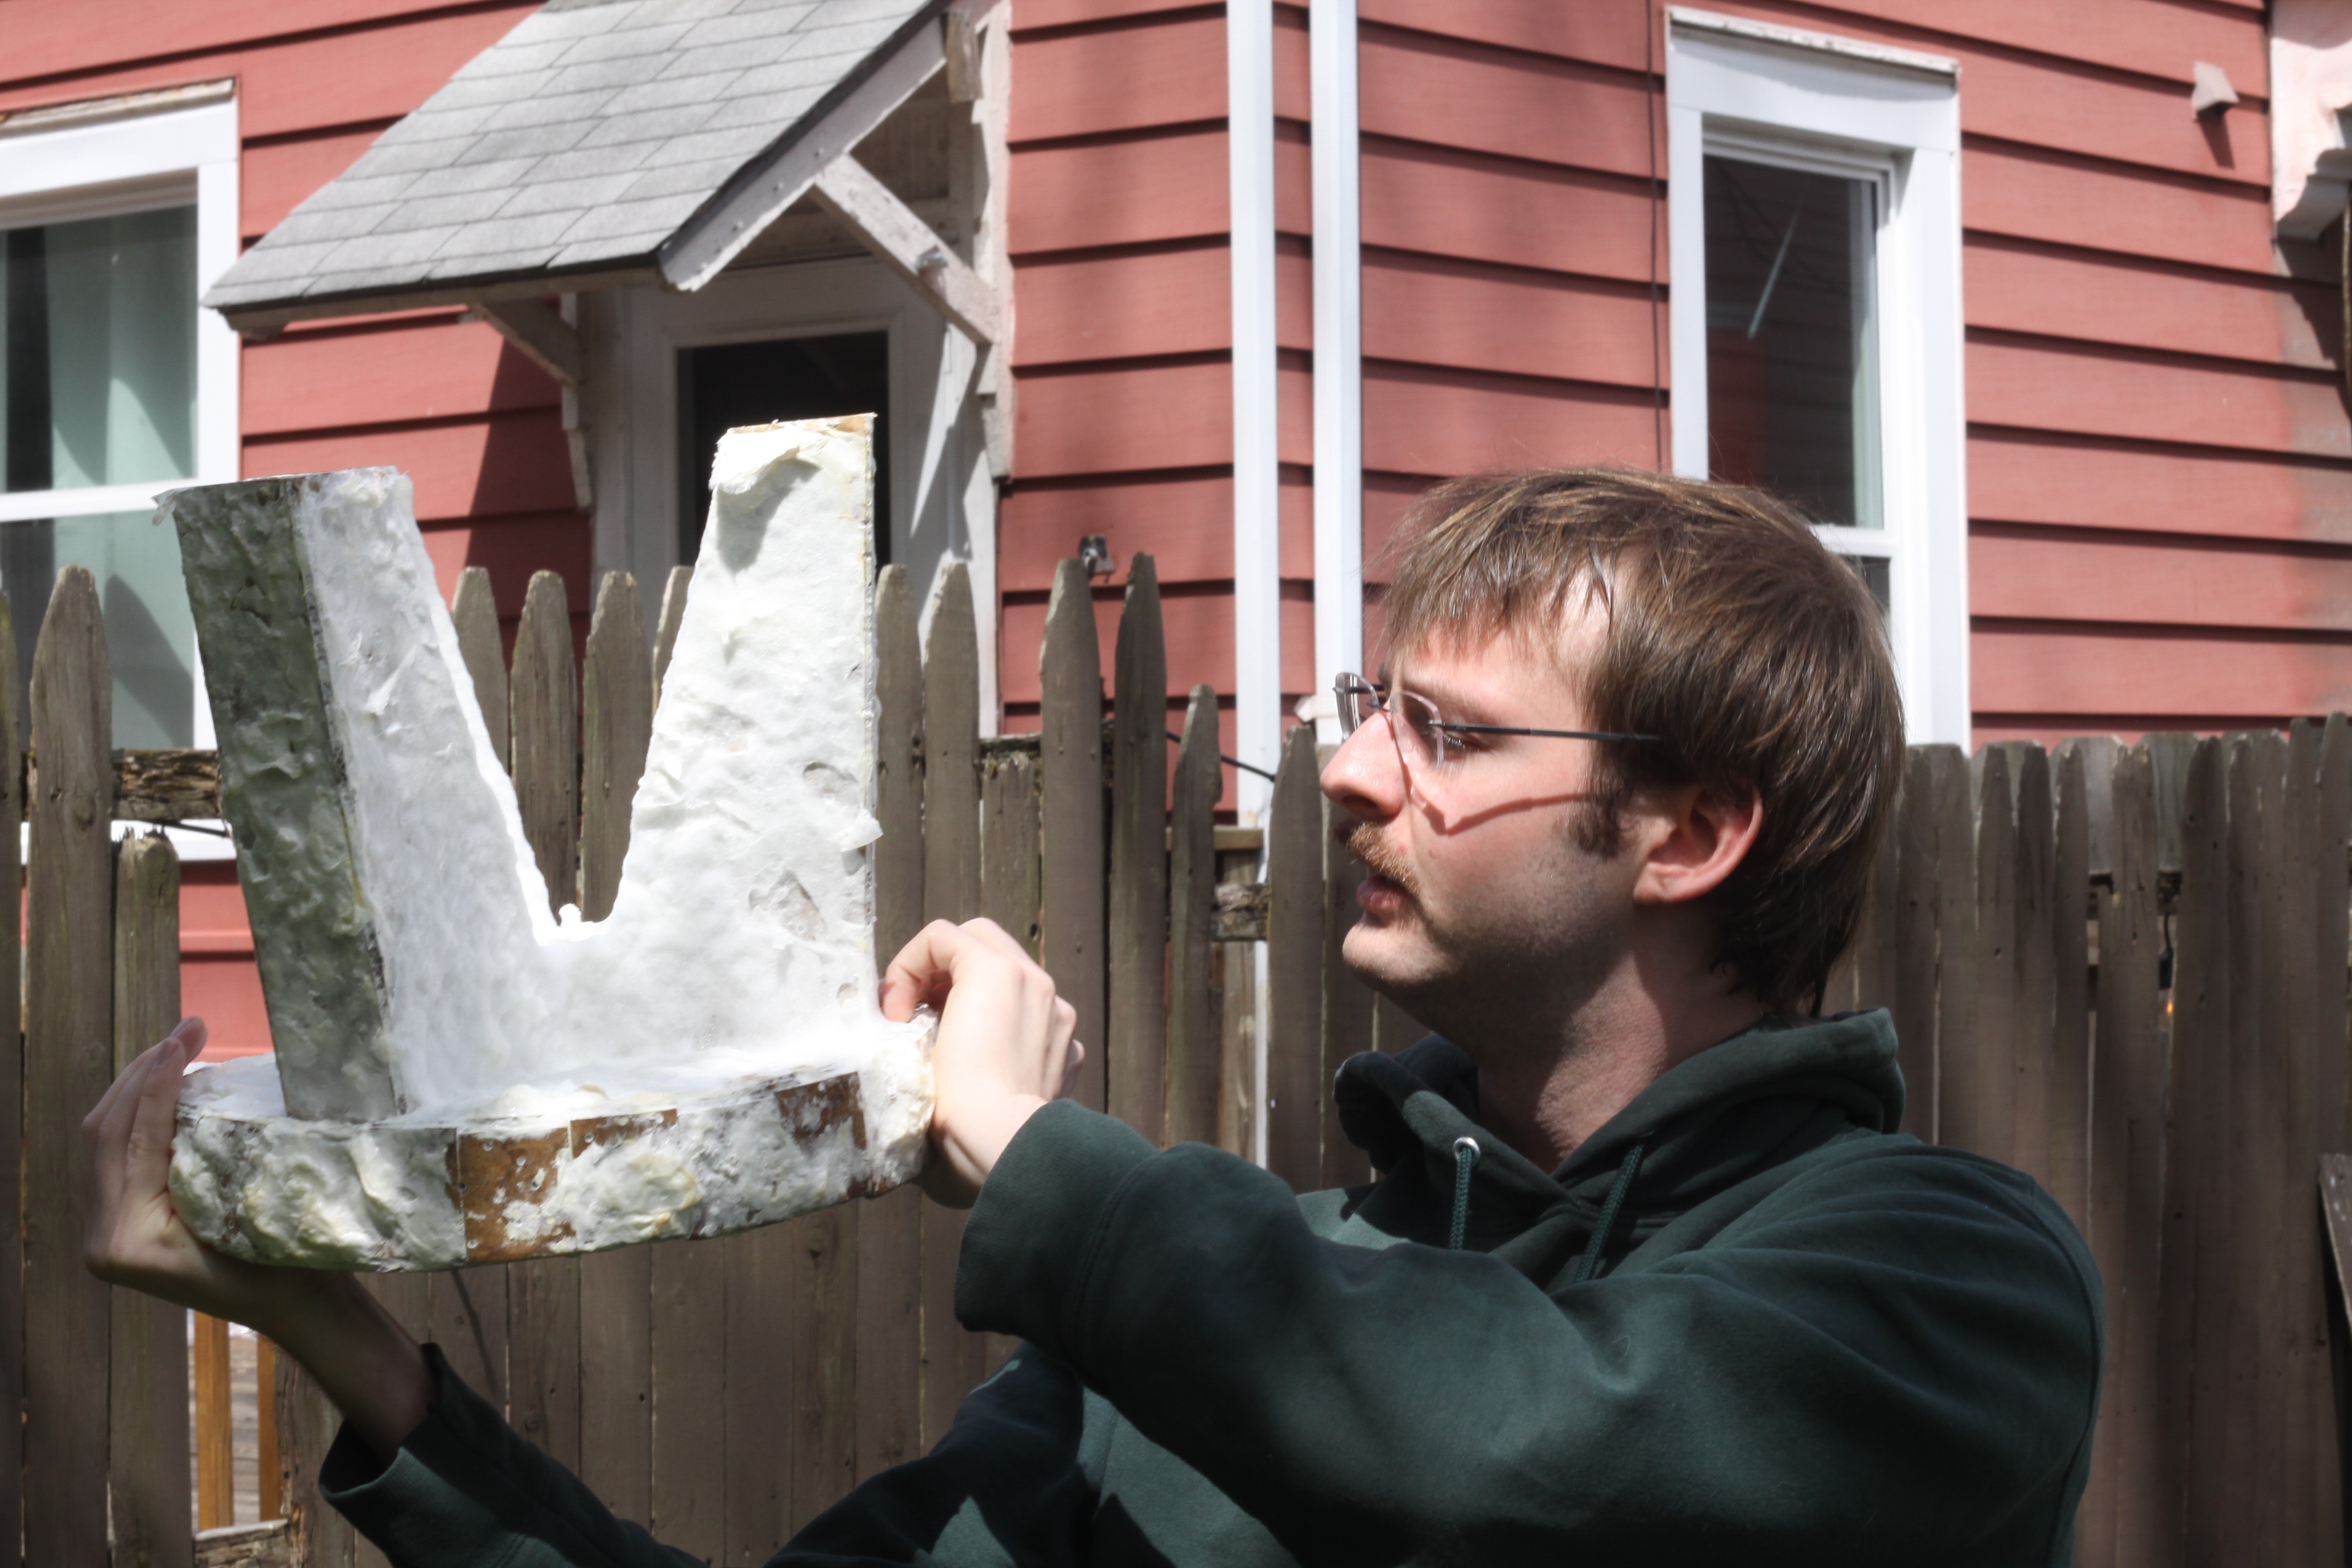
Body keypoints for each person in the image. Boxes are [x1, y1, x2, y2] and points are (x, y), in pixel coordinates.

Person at [86, 468, 2102, 1567]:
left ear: (1691, 833)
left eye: (1449, 734)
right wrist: (370, 1375)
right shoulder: (1218, 1319)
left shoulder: (1940, 1284)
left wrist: (1048, 1165)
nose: (1349, 774)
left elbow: (1538, 1460)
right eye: (1368, 710)